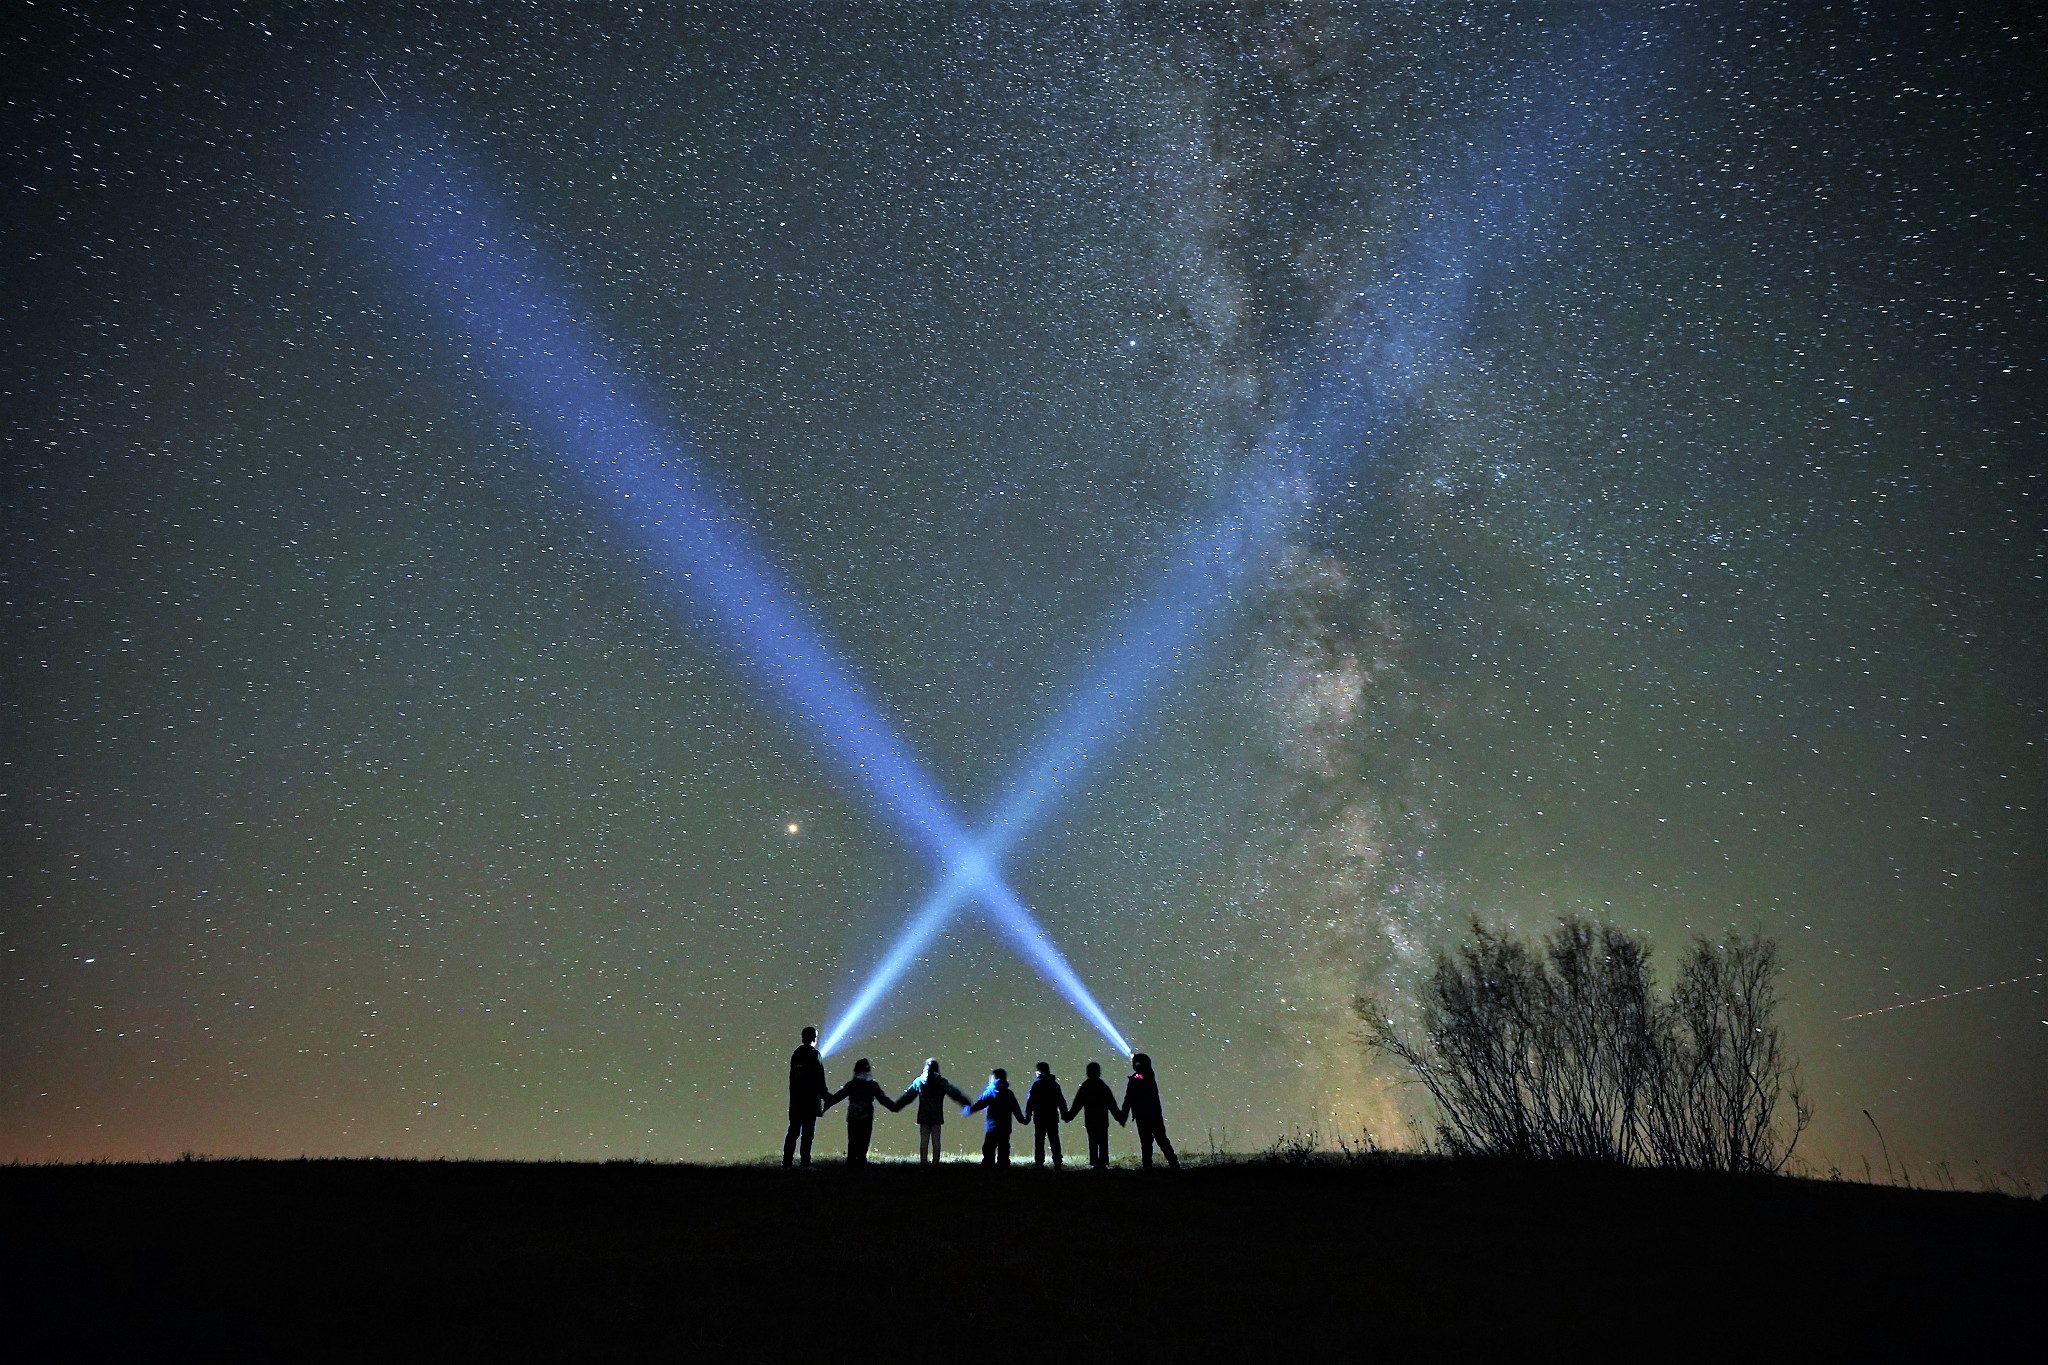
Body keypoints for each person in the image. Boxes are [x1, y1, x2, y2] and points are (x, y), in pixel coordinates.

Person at [824, 1057, 905, 1166]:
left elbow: (837, 1097)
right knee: (864, 1141)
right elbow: (883, 1099)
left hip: (853, 1116)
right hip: (866, 1117)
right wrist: (895, 1107)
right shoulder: (872, 1085)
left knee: (852, 1141)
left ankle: (851, 1164)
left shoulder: (852, 1084)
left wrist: (824, 1106)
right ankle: (861, 1163)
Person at [897, 1058, 972, 1164]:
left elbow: (908, 1096)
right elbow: (955, 1094)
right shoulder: (941, 1082)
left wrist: (897, 1106)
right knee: (936, 1142)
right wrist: (967, 1103)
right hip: (936, 1116)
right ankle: (936, 1162)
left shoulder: (920, 1081)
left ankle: (923, 1162)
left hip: (924, 1116)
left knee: (924, 1141)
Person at [1120, 1051, 1180, 1170]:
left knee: (1159, 1139)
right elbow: (1129, 1098)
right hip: (1148, 1114)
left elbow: (1130, 1097)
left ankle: (1172, 1164)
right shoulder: (1139, 1078)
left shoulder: (1145, 1076)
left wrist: (1124, 1113)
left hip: (1149, 1114)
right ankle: (1149, 1165)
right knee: (1148, 1141)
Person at [784, 1025, 831, 1168]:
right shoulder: (815, 1054)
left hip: (796, 1101)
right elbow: (819, 1078)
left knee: (793, 1131)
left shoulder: (795, 1054)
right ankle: (805, 1163)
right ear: (814, 1038)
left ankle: (787, 1162)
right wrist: (826, 1096)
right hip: (810, 1101)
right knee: (807, 1134)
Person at [1064, 1060, 1123, 1169]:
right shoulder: (1103, 1086)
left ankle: (1095, 1163)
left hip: (1090, 1120)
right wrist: (1119, 1118)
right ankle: (1103, 1163)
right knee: (1103, 1141)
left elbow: (1077, 1103)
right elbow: (1111, 1104)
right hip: (1102, 1119)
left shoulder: (1085, 1087)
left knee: (1093, 1142)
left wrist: (1069, 1116)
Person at [967, 1068, 1027, 1167]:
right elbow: (1015, 1108)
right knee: (1004, 1147)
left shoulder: (990, 1092)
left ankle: (988, 1165)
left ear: (994, 1078)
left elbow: (980, 1104)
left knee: (989, 1147)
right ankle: (1003, 1166)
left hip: (992, 1127)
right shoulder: (1009, 1093)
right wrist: (1022, 1120)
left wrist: (969, 1110)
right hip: (1006, 1126)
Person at [1022, 1061, 1067, 1169]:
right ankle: (1057, 1162)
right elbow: (1061, 1101)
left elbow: (1031, 1101)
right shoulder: (1054, 1085)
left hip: (1040, 1116)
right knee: (1054, 1139)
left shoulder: (1037, 1085)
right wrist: (1065, 1114)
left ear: (1039, 1071)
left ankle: (1039, 1163)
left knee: (1039, 1140)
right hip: (1052, 1116)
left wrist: (1027, 1116)